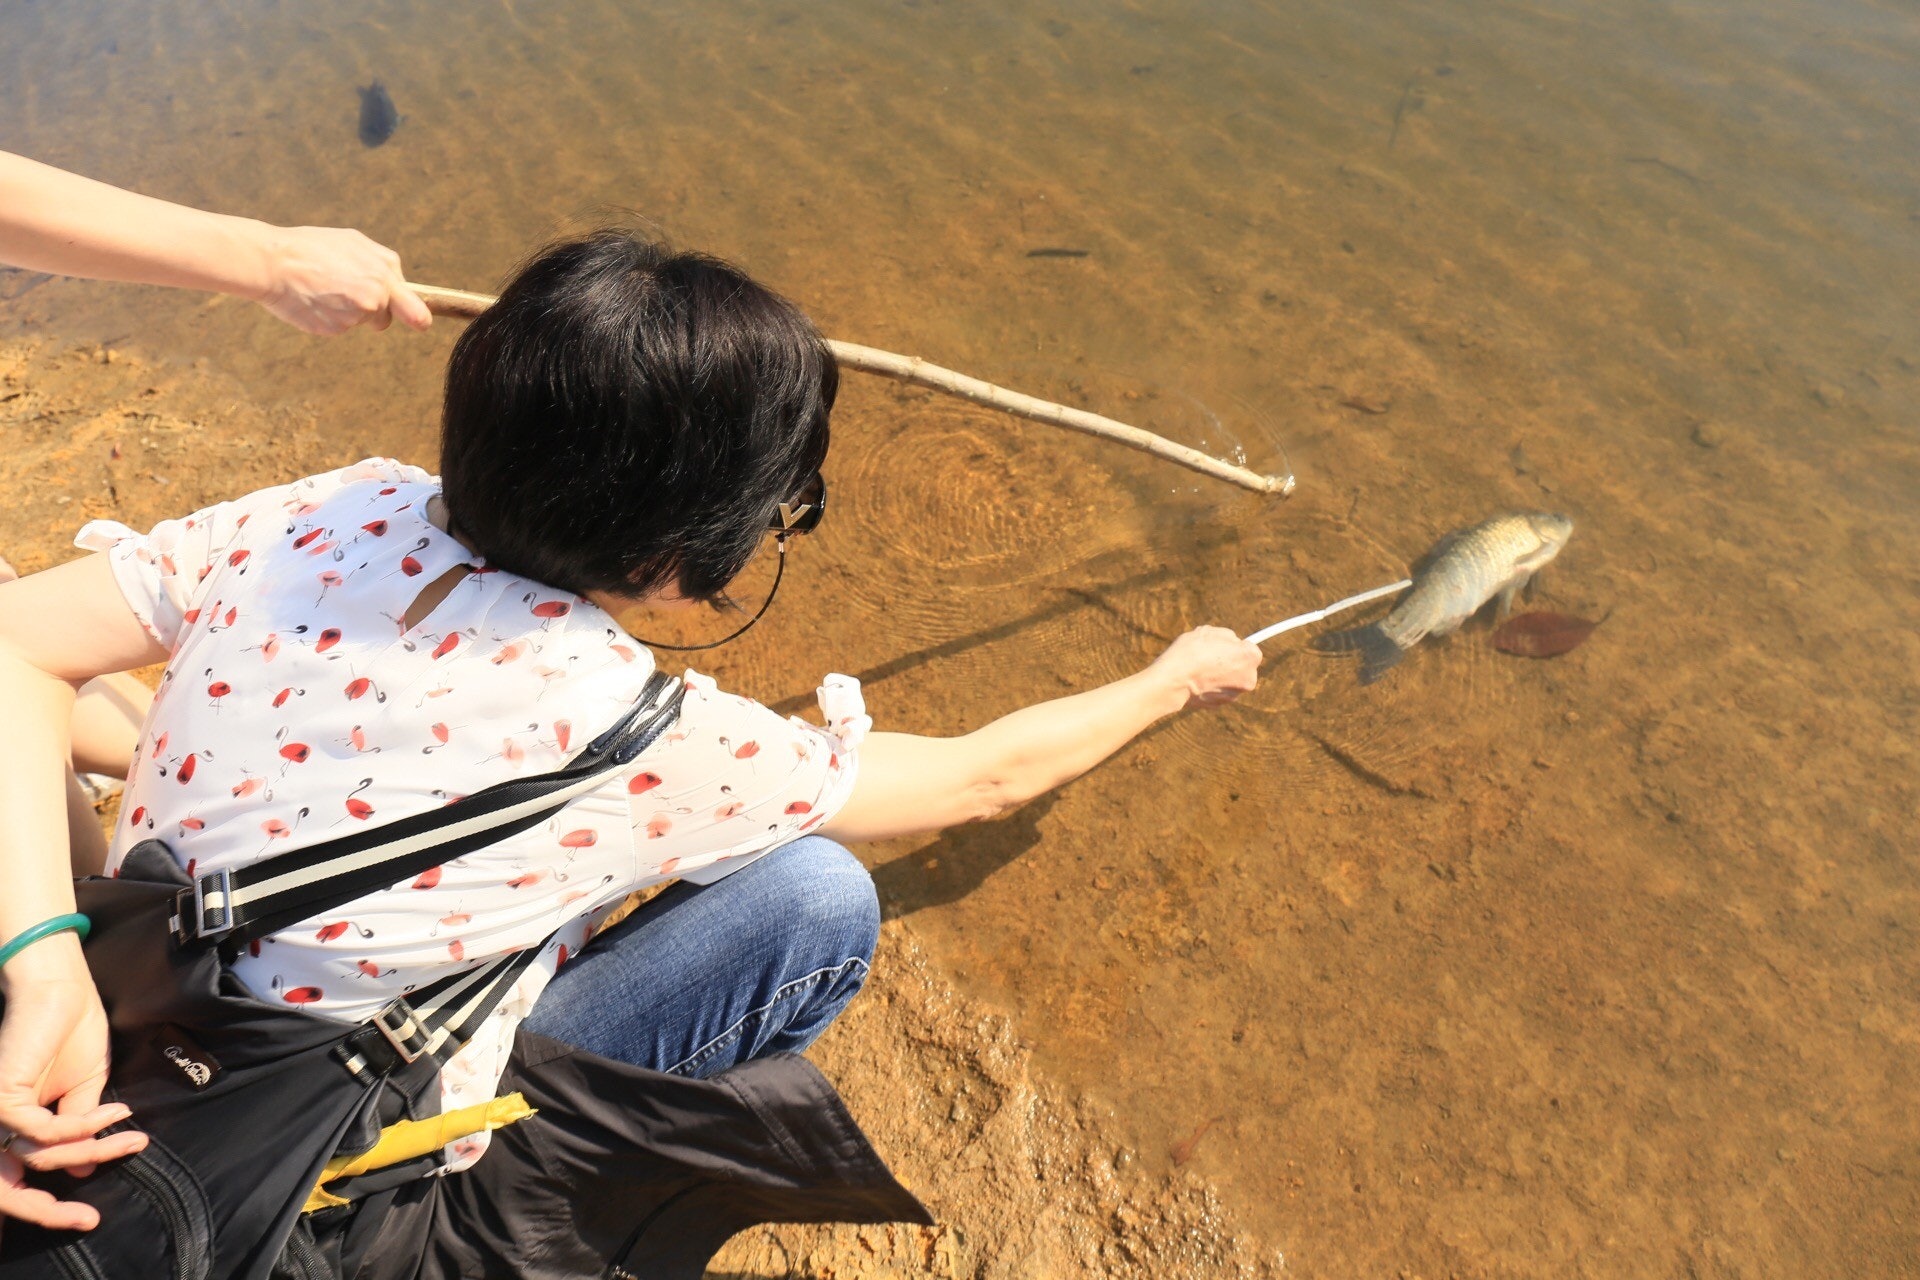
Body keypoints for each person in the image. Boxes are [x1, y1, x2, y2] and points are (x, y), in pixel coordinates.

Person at [0, 154, 1262, 1273]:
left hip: (139, 1008)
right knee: (816, 901)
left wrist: (38, 950)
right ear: (677, 559)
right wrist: (1173, 678)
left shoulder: (326, 515)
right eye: (779, 513)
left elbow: (15, 639)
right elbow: (981, 778)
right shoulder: (637, 732)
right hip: (304, 1195)